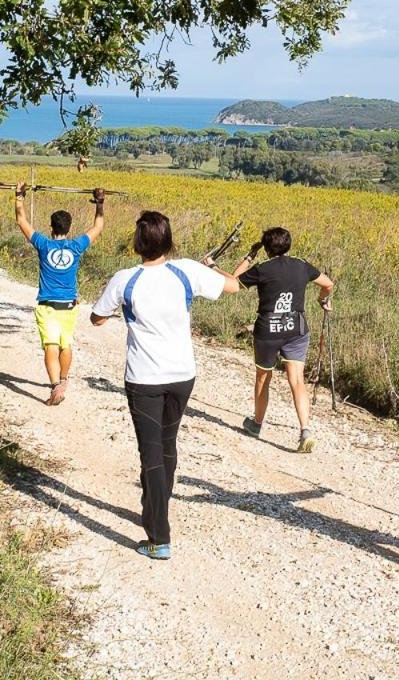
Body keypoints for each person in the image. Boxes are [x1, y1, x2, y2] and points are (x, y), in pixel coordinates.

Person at [90, 211, 240, 560]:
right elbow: (233, 286)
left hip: (144, 378)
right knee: (168, 442)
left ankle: (159, 536)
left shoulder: (124, 279)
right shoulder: (186, 270)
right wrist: (210, 267)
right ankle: (158, 505)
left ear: (137, 242)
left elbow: (97, 317)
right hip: (182, 375)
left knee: (150, 453)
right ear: (169, 241)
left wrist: (113, 313)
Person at [204, 227, 333, 453]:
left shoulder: (263, 269)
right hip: (296, 327)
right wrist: (323, 300)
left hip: (268, 329)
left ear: (266, 248)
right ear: (288, 244)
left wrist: (214, 267)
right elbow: (328, 284)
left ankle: (257, 424)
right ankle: (305, 430)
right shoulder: (302, 265)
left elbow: (233, 285)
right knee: (297, 381)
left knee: (264, 377)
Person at [14, 182, 105, 405]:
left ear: (51, 227)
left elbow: (21, 221)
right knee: (66, 345)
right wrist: (100, 203)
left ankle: (55, 385)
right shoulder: (76, 246)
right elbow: (98, 227)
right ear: (69, 227)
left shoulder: (43, 245)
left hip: (47, 306)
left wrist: (19, 196)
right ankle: (63, 380)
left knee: (50, 347)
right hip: (69, 307)